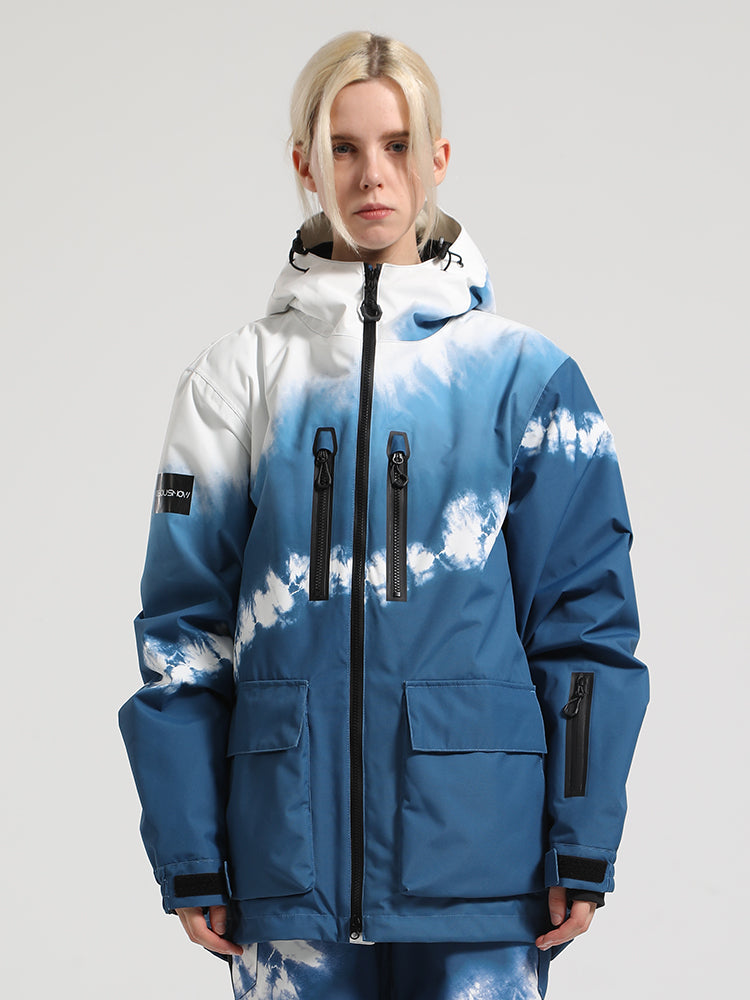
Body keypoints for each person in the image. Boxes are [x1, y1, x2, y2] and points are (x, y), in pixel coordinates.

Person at [119, 30, 649, 1000]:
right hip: (286, 878)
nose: (373, 174)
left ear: (438, 157)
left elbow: (585, 627)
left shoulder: (525, 378)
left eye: (398, 145)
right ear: (304, 164)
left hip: (484, 876)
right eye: (345, 147)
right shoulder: (234, 381)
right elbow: (184, 632)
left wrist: (582, 837)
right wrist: (191, 849)